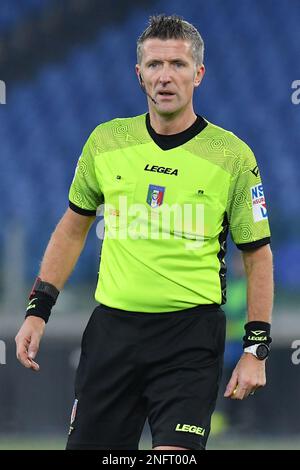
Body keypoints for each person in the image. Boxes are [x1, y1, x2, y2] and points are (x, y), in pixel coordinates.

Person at [15, 14, 273, 451]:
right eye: (154, 65)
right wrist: (38, 311)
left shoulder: (232, 155)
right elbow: (72, 229)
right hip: (112, 335)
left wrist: (256, 349)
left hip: (189, 338)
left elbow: (257, 255)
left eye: (177, 64)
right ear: (139, 75)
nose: (165, 76)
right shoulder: (106, 142)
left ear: (199, 74)